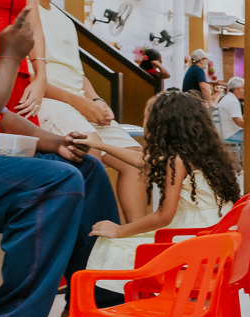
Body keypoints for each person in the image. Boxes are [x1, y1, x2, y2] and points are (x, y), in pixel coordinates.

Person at [0, 3, 119, 317]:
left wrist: (55, 143)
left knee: (85, 166)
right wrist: (11, 54)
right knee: (56, 182)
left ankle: (94, 302)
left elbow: (0, 115)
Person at [77, 90, 241, 298]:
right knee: (131, 238)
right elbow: (142, 161)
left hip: (195, 238)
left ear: (163, 124)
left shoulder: (177, 161)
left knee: (114, 243)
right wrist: (100, 145)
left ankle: (131, 299)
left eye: (146, 117)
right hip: (214, 233)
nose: (143, 122)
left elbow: (164, 216)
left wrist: (121, 230)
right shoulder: (200, 152)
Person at [30, 0, 149, 222]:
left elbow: (77, 73)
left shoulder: (63, 18)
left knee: (138, 160)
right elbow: (28, 78)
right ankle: (90, 245)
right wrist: (79, 103)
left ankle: (133, 241)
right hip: (47, 101)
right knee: (91, 150)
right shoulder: (22, 11)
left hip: (77, 102)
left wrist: (95, 100)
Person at [216, 76, 244, 143]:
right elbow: (238, 122)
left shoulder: (228, 98)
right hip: (230, 134)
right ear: (236, 89)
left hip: (225, 133)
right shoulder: (232, 101)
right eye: (244, 88)